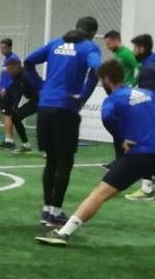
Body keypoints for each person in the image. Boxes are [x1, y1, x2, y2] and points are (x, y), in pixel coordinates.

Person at [37, 60, 155, 246]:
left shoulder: (113, 99)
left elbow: (107, 117)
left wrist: (121, 137)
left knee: (100, 194)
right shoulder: (149, 94)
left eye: (101, 80)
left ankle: (63, 233)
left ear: (107, 79)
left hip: (138, 154)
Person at [24, 16, 101, 228]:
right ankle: (55, 213)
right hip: (66, 108)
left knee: (51, 161)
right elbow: (97, 69)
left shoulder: (55, 43)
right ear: (93, 32)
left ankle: (46, 210)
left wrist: (41, 87)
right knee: (65, 162)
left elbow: (28, 61)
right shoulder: (89, 47)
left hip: (45, 107)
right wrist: (83, 96)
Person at [123, 33, 155, 201]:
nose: (133, 51)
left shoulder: (148, 69)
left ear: (141, 48)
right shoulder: (150, 62)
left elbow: (147, 97)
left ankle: (147, 188)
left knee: (144, 149)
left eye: (135, 47)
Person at [0, 58, 42, 154]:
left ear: (16, 67)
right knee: (16, 117)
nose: (9, 72)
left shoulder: (25, 76)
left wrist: (15, 106)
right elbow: (13, 88)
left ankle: (48, 150)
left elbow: (18, 93)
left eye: (10, 69)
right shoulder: (17, 76)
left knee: (45, 124)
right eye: (8, 70)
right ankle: (26, 145)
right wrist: (5, 90)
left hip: (44, 100)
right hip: (35, 101)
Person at [0, 38, 22, 150]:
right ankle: (7, 139)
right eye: (1, 47)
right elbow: (3, 77)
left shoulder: (14, 59)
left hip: (11, 92)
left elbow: (15, 77)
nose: (2, 50)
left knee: (8, 115)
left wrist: (6, 88)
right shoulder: (5, 61)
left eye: (4, 48)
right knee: (5, 115)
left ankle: (10, 141)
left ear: (10, 47)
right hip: (3, 92)